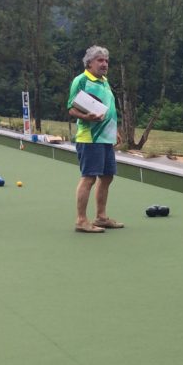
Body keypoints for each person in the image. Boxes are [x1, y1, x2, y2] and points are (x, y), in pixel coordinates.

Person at [67, 45, 122, 233]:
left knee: (107, 177)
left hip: (106, 137)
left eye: (106, 60)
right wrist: (86, 117)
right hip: (90, 138)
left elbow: (108, 108)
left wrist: (115, 130)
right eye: (100, 60)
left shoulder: (104, 81)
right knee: (89, 178)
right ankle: (81, 220)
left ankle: (101, 217)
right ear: (89, 62)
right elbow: (71, 108)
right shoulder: (81, 80)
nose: (104, 64)